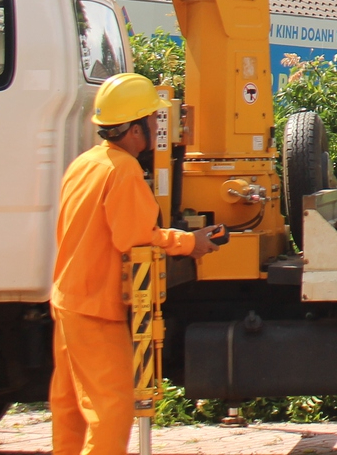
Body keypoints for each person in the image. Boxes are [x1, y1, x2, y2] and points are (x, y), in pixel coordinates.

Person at [54, 74, 219, 455]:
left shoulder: (85, 163)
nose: (157, 130)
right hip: (96, 306)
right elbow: (137, 236)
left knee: (71, 409)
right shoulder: (122, 170)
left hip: (68, 299)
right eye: (152, 122)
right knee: (112, 410)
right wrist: (191, 242)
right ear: (133, 129)